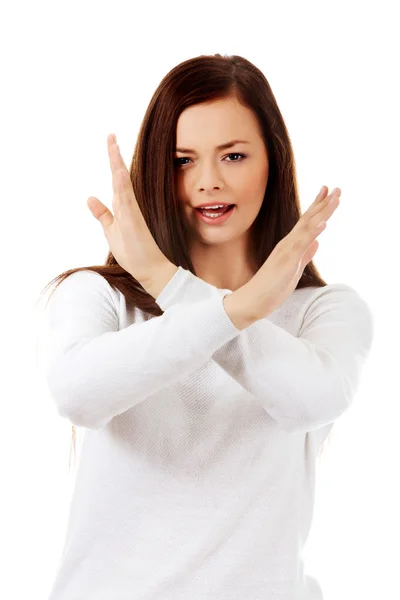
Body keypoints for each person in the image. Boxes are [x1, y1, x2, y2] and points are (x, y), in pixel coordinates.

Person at [38, 53, 374, 599]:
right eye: (182, 160)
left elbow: (309, 401)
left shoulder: (325, 310)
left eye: (234, 155)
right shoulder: (96, 295)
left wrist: (173, 285)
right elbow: (77, 396)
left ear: (274, 161)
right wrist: (232, 308)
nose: (208, 182)